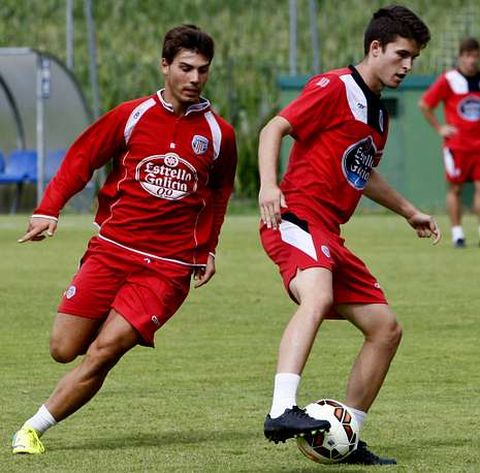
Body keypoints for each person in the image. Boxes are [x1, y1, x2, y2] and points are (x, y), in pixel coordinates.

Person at [11, 24, 237, 455]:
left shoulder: (219, 134)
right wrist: (48, 209)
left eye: (203, 71)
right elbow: (82, 158)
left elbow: (220, 193)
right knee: (64, 348)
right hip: (111, 251)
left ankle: (32, 429)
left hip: (168, 269)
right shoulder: (132, 115)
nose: (194, 78)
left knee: (103, 351)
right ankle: (109, 325)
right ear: (165, 65)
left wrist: (208, 247)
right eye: (185, 68)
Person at [258, 5, 440, 466]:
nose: (407, 66)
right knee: (316, 295)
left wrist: (409, 211)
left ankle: (347, 438)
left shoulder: (379, 117)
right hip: (296, 217)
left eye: (414, 59)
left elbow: (364, 172)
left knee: (386, 329)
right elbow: (274, 128)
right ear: (375, 48)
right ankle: (281, 409)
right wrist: (268, 185)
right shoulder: (334, 86)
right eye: (401, 55)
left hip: (330, 233)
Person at [419, 37, 480, 248]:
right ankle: (457, 234)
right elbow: (425, 104)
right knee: (455, 190)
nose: (471, 61)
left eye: (475, 56)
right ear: (460, 57)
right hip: (457, 147)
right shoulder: (450, 79)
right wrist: (440, 128)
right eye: (467, 56)